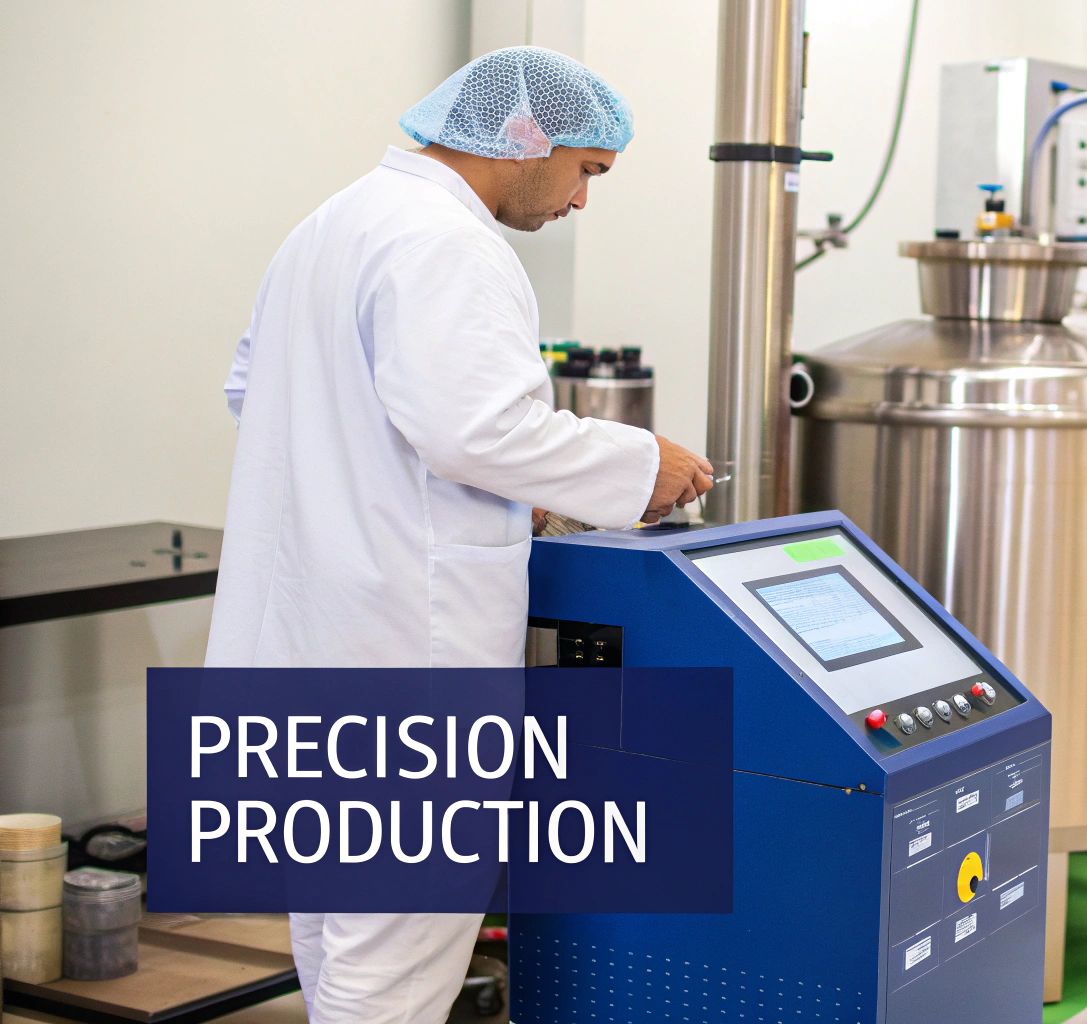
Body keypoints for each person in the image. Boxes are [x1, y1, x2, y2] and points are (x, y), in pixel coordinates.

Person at [204, 47, 710, 1022]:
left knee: (339, 919)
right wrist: (642, 466)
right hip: (402, 653)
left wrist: (433, 484)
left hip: (311, 636)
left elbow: (255, 391)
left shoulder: (331, 223)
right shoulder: (449, 241)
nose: (579, 201)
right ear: (527, 141)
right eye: (587, 172)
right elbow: (473, 426)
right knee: (396, 948)